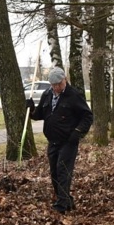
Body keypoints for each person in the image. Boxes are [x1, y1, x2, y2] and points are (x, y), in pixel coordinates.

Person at [27, 66, 94, 214]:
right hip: (53, 141)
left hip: (68, 141)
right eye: (53, 85)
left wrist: (78, 132)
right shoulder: (47, 94)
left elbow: (88, 116)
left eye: (59, 84)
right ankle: (66, 200)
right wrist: (31, 110)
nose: (56, 87)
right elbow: (39, 115)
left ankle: (61, 205)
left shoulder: (73, 96)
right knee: (54, 173)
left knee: (63, 171)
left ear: (65, 80)